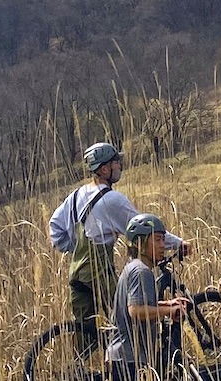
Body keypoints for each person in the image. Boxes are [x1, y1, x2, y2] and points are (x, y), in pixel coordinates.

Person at [48, 142, 189, 358]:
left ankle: (78, 369)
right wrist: (178, 243)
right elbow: (143, 230)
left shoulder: (76, 195)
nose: (119, 165)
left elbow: (55, 228)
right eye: (116, 162)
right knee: (132, 317)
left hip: (76, 273)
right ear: (104, 169)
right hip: (99, 273)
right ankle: (137, 364)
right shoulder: (112, 200)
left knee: (85, 339)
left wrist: (75, 248)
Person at [107, 213, 192, 381]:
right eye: (157, 240)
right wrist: (169, 311)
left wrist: (167, 304)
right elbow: (136, 311)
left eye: (163, 240)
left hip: (123, 357)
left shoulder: (133, 267)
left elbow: (138, 303)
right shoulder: (141, 271)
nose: (163, 246)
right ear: (139, 243)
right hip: (129, 359)